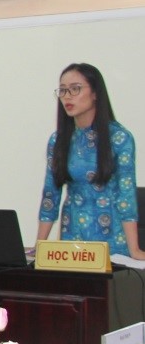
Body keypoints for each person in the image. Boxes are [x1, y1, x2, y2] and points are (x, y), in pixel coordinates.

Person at [37, 62, 144, 259]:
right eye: (63, 90)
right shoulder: (58, 140)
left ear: (95, 93)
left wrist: (134, 250)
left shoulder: (119, 138)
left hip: (112, 244)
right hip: (71, 243)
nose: (67, 96)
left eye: (75, 89)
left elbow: (126, 195)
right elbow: (51, 195)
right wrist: (39, 247)